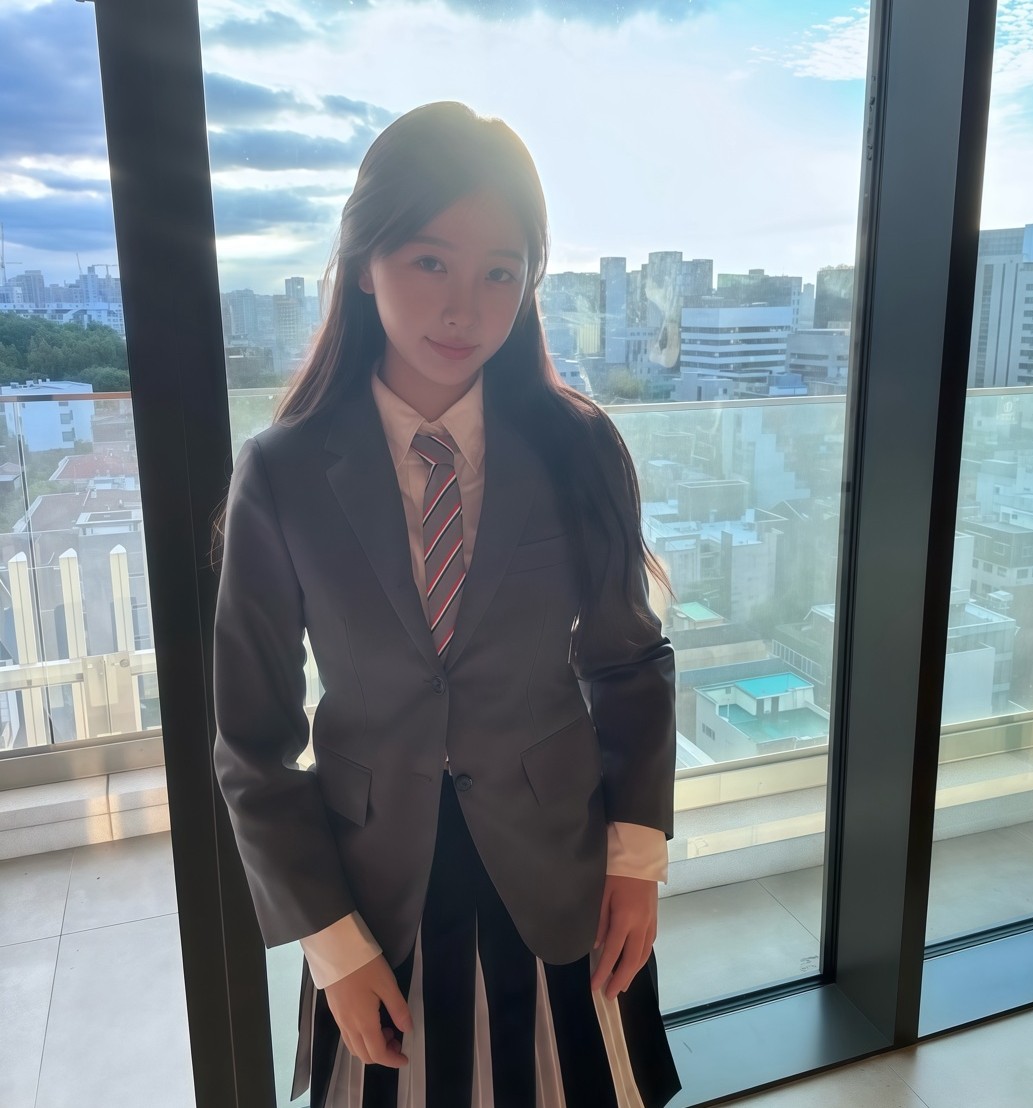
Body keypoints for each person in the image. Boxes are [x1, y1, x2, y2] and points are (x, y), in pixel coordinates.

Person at [212, 100, 681, 1108]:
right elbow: (250, 741)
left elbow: (627, 661)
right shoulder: (282, 473)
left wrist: (637, 861)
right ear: (363, 260)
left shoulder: (576, 446)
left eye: (500, 273)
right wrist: (330, 944)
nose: (464, 308)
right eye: (431, 261)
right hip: (373, 892)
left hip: (558, 872)